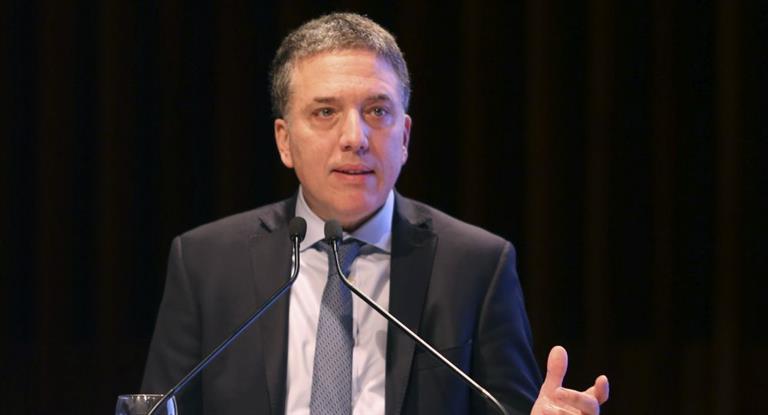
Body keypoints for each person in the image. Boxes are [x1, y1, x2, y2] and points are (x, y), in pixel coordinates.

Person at [141, 12, 609, 415]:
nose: (355, 138)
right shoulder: (206, 263)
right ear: (284, 140)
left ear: (404, 137)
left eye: (377, 111)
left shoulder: (477, 265)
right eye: (325, 112)